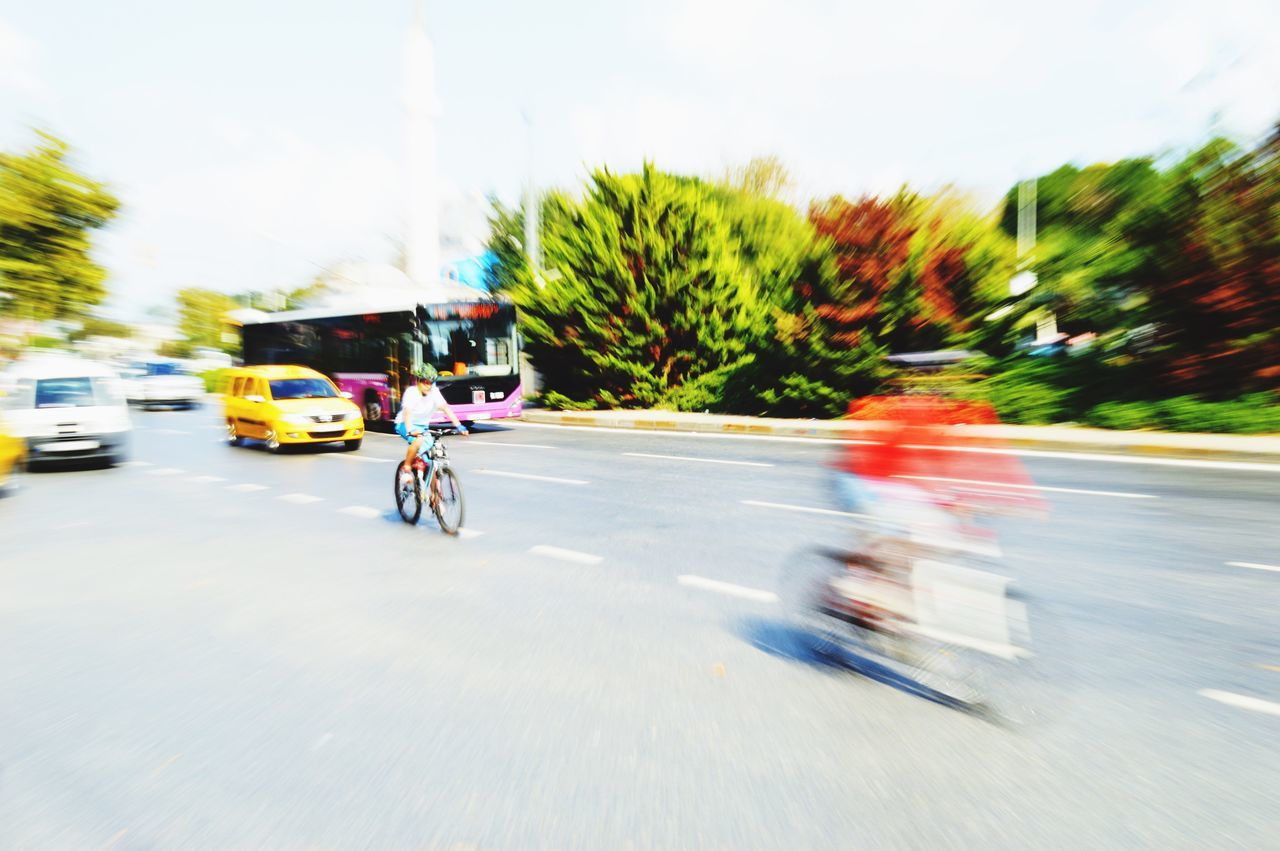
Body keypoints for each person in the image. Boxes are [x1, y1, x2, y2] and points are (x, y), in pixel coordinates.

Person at [395, 364, 467, 470]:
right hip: (404, 424)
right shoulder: (411, 392)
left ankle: (435, 486)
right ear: (418, 381)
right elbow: (407, 413)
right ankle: (407, 466)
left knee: (431, 463)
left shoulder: (434, 392)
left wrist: (459, 426)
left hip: (422, 427)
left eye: (431, 383)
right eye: (425, 382)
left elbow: (446, 409)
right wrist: (410, 430)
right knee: (418, 440)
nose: (428, 386)